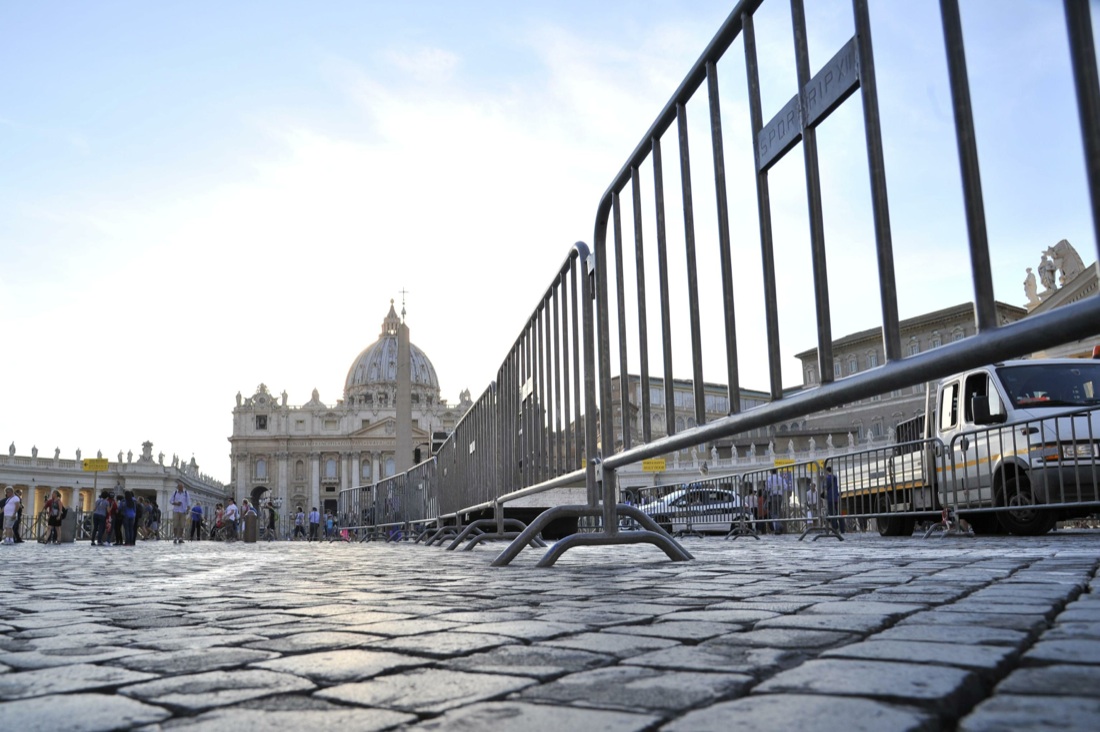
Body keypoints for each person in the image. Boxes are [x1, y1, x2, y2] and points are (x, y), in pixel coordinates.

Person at [823, 465, 843, 534]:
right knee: (837, 513)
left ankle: (835, 528)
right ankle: (842, 528)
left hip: (830, 498)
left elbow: (825, 486)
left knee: (832, 513)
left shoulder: (827, 478)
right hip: (836, 497)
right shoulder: (835, 477)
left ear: (826, 471)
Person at [765, 468, 785, 534]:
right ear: (776, 471)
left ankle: (778, 527)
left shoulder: (769, 479)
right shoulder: (780, 478)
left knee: (773, 513)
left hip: (772, 496)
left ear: (770, 472)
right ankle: (779, 526)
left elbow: (767, 488)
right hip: (780, 496)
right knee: (778, 512)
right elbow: (785, 486)